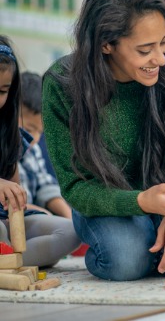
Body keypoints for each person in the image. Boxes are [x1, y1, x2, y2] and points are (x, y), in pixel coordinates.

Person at [42, 0, 165, 281]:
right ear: (106, 44)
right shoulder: (62, 85)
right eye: (145, 50)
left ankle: (156, 241)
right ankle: (142, 246)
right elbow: (76, 187)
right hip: (110, 201)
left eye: (164, 43)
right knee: (126, 261)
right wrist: (139, 202)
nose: (161, 59)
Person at [0, 36, 80, 267]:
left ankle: (8, 262)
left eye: (4, 91)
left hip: (4, 222)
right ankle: (12, 260)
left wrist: (17, 201)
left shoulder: (8, 133)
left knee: (71, 232)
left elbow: (13, 199)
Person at [19, 72, 72, 218]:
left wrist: (68, 217)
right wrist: (39, 211)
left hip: (32, 216)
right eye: (29, 129)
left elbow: (45, 186)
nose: (34, 138)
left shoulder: (33, 150)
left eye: (39, 132)